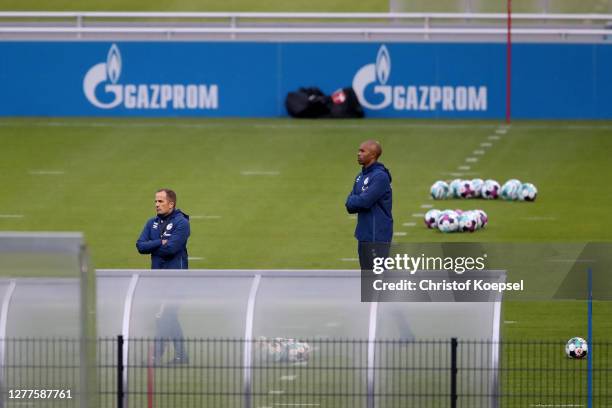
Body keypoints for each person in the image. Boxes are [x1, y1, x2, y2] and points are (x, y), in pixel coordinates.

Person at [136, 188, 190, 365]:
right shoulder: (151, 222)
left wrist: (155, 246)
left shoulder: (181, 223)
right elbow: (140, 246)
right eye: (155, 201)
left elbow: (172, 248)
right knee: (168, 316)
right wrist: (160, 242)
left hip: (176, 280)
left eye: (160, 201)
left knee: (164, 315)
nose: (156, 205)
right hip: (158, 279)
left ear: (171, 204)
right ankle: (181, 356)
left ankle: (156, 356)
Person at [345, 140, 393, 270]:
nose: (358, 154)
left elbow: (365, 202)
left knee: (378, 277)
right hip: (364, 234)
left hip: (377, 234)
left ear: (372, 155)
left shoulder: (380, 177)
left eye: (362, 151)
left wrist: (357, 199)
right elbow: (349, 205)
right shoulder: (360, 177)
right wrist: (357, 200)